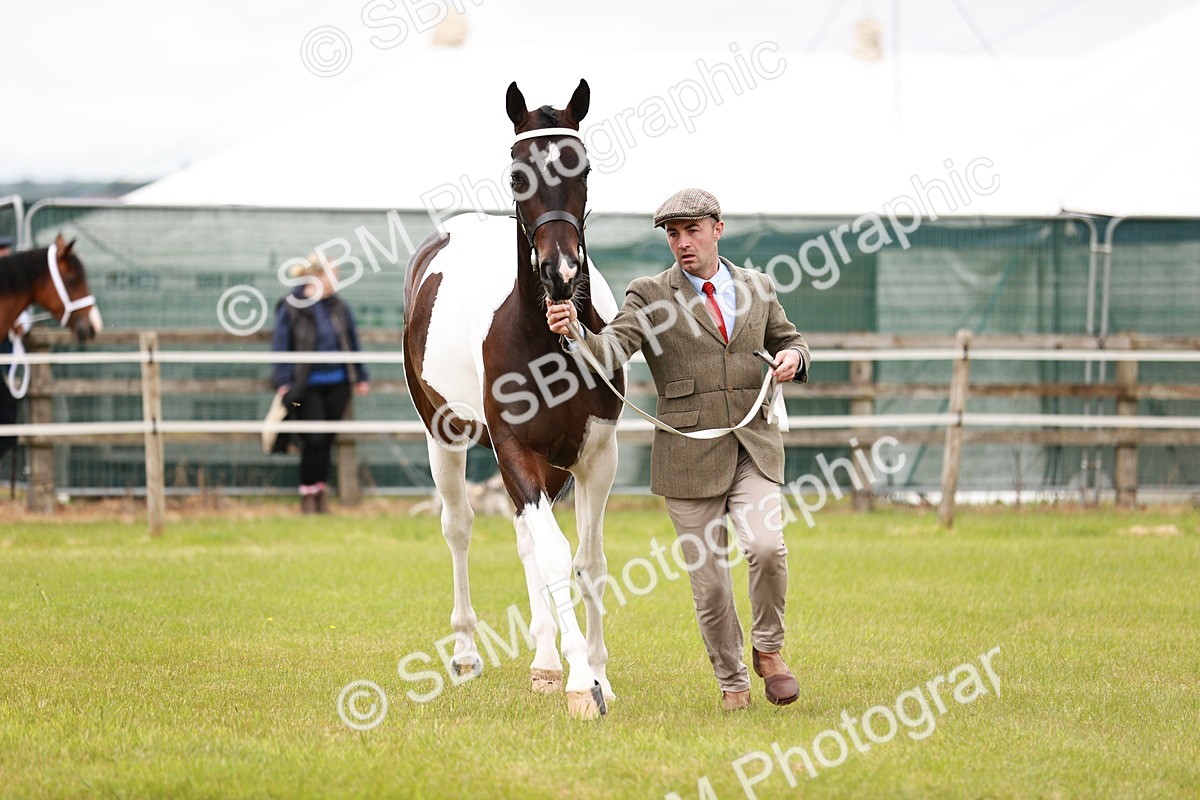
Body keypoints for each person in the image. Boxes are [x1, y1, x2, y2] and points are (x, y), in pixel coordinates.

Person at [545, 188, 810, 711]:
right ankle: (733, 684)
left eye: (691, 230)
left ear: (718, 228)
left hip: (753, 444)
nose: (682, 243)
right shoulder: (650, 294)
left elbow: (791, 339)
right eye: (672, 233)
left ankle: (769, 652)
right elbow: (612, 348)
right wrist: (576, 330)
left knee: (766, 548)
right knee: (710, 583)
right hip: (688, 456)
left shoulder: (758, 287)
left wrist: (793, 360)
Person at [271, 255, 370, 514]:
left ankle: (320, 493)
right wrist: (283, 381)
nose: (335, 281)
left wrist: (360, 376)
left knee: (326, 440)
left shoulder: (339, 307)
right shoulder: (292, 306)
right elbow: (280, 346)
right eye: (331, 274)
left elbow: (351, 342)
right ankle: (307, 494)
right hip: (306, 386)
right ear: (315, 276)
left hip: (338, 383)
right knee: (313, 440)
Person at [0, 236, 31, 461]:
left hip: (6, 363)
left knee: (8, 427)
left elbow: (25, 313)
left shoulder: (14, 285)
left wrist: (22, 324)